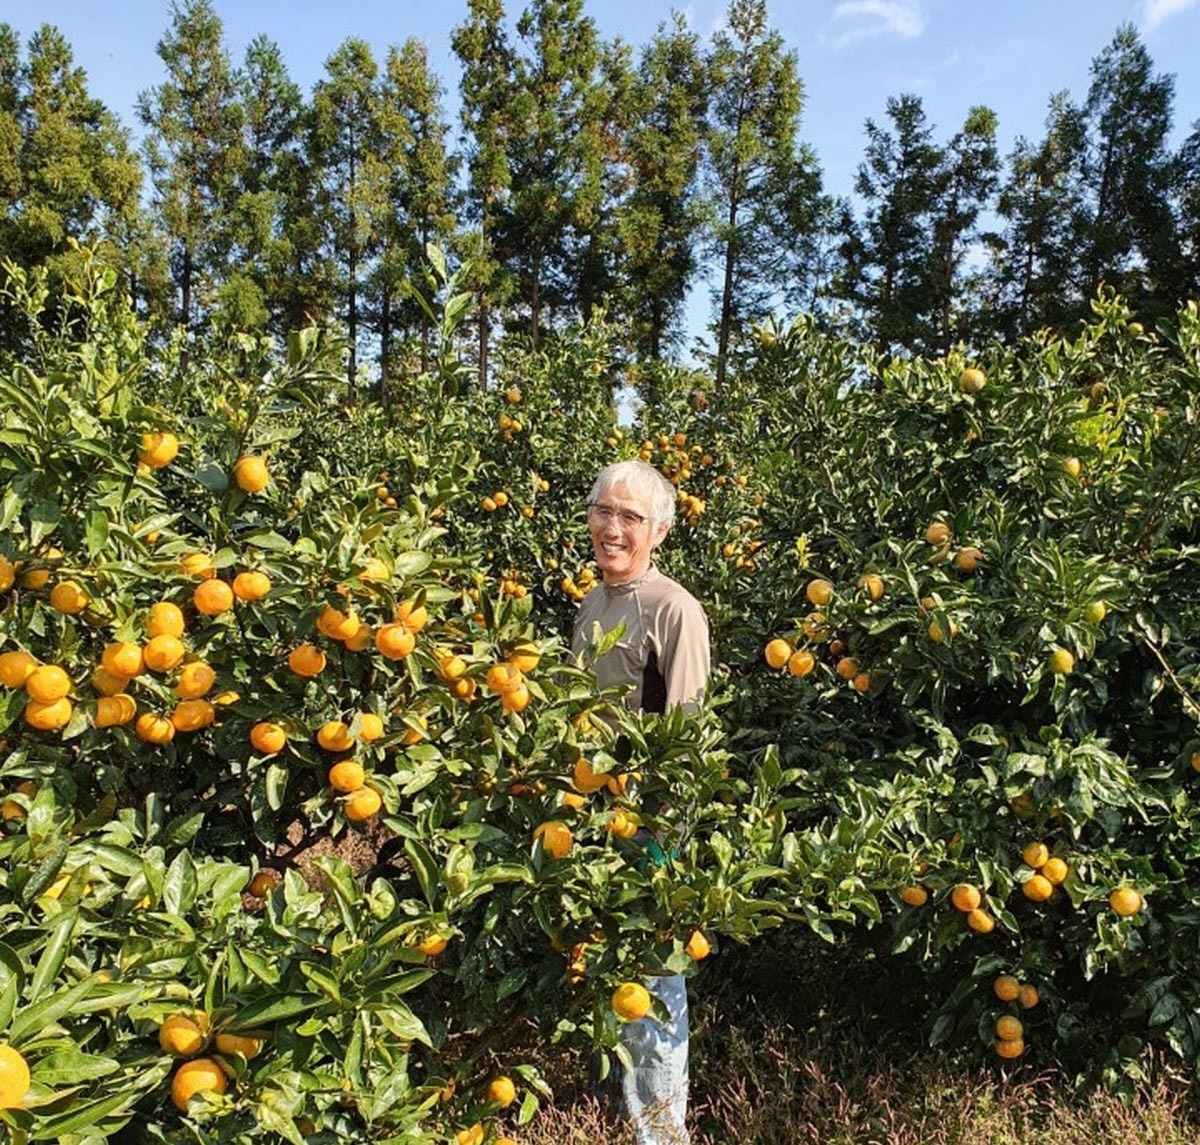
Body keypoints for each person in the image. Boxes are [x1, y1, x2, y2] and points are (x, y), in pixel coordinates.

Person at [570, 459, 710, 1145]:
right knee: (606, 975)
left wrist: (663, 841)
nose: (613, 527)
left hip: (646, 828)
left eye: (630, 516)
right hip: (589, 825)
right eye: (604, 510)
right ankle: (613, 1115)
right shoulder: (592, 603)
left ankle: (662, 1132)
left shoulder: (673, 608)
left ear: (658, 529)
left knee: (654, 986)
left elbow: (686, 735)